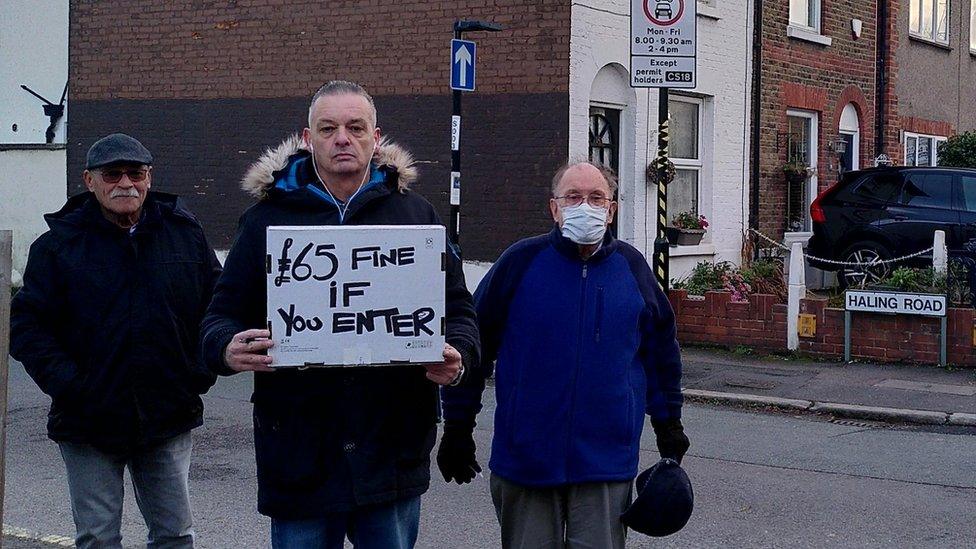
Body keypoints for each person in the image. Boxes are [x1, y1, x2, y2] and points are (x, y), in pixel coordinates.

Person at [200, 80, 480, 549]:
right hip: (299, 451)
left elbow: (459, 311)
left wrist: (458, 359)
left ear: (376, 135)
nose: (342, 138)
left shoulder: (416, 215)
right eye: (328, 128)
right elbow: (219, 316)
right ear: (308, 139)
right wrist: (225, 348)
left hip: (391, 448)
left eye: (355, 127)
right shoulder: (265, 220)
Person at [438, 160, 690, 549]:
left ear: (611, 209)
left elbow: (661, 353)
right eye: (573, 197)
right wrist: (458, 427)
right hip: (526, 459)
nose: (584, 206)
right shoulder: (520, 263)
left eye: (595, 198)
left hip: (606, 460)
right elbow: (471, 346)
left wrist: (668, 423)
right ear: (554, 208)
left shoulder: (632, 268)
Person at [10, 133, 221, 549]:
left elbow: (216, 307)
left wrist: (196, 373)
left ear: (149, 177)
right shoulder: (58, 246)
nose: (125, 183)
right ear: (90, 181)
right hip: (88, 422)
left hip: (167, 416)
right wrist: (73, 385)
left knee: (176, 536)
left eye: (135, 173)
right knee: (98, 538)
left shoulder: (184, 234)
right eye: (112, 174)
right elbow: (27, 327)